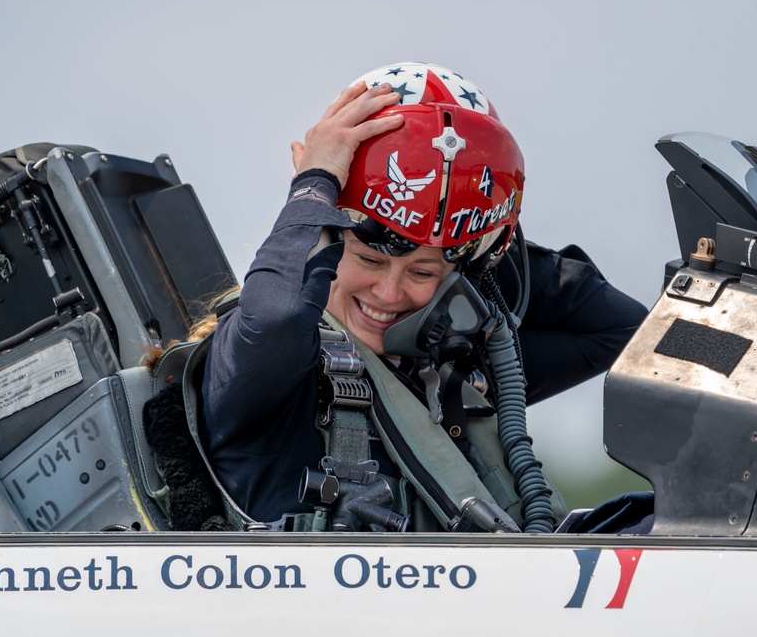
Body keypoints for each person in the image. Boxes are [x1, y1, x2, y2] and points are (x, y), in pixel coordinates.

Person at [197, 63, 648, 533]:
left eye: (422, 271)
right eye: (370, 260)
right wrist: (315, 185)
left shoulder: (446, 369)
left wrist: (482, 237)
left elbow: (619, 330)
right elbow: (278, 316)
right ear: (325, 241)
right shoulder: (257, 366)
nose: (389, 293)